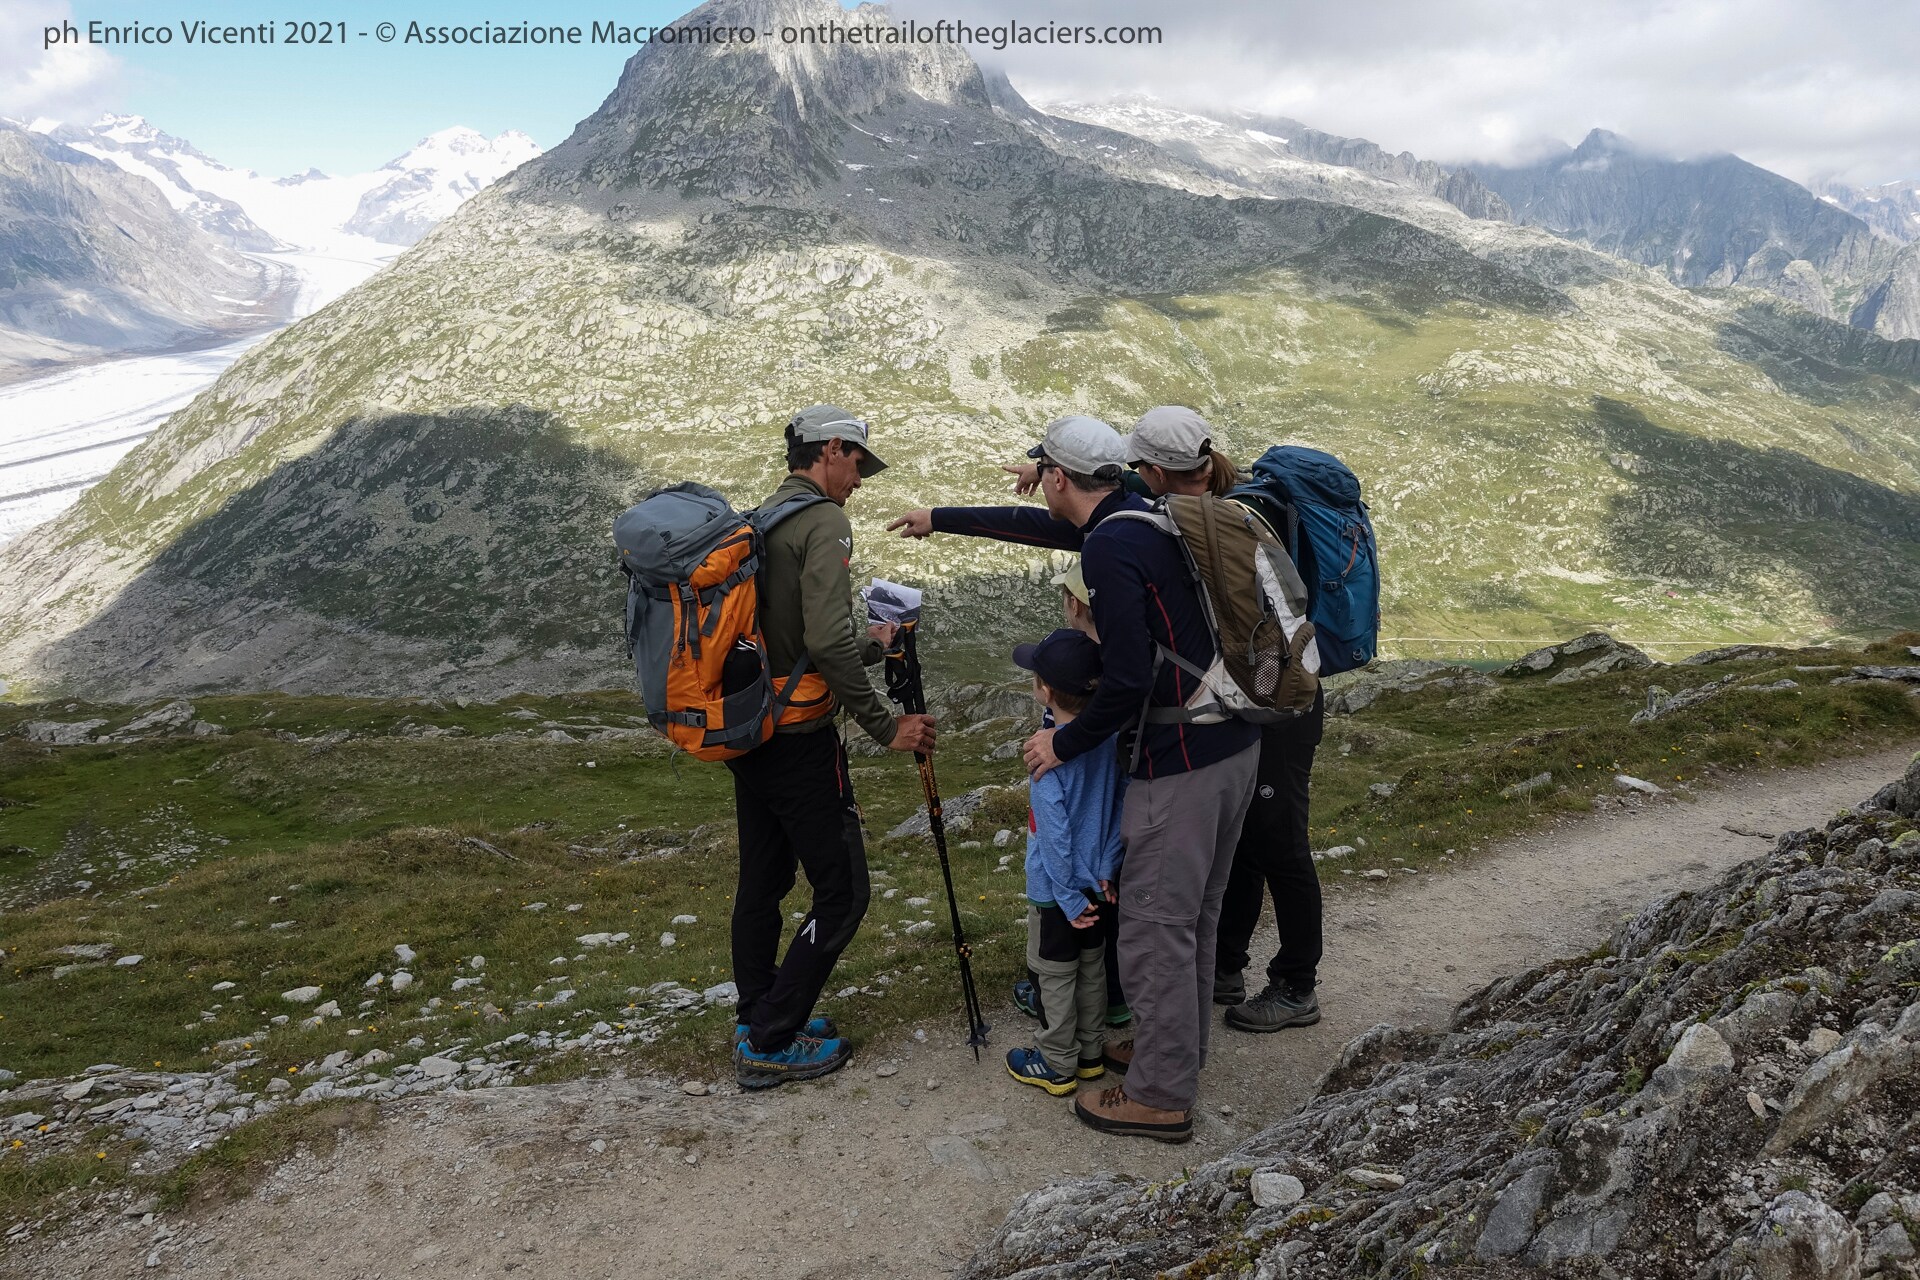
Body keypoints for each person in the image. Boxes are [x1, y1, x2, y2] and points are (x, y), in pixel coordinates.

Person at [891, 413, 1261, 1144]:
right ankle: (1172, 1054)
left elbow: (1124, 680)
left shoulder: (1117, 542)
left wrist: (1065, 746)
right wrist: (943, 519)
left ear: (1060, 478)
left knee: (1157, 932)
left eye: (1046, 475)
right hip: (1234, 745)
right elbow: (1035, 526)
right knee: (1194, 920)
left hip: (1182, 762)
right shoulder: (1138, 513)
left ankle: (1158, 1094)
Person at [730, 406, 937, 1090]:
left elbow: (794, 637)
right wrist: (885, 726)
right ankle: (770, 1040)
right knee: (843, 892)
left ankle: (757, 1010)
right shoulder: (823, 522)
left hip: (751, 732)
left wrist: (864, 645)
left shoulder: (764, 518)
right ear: (833, 450)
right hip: (800, 740)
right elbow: (820, 642)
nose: (859, 482)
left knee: (762, 880)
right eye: (857, 466)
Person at [1117, 407, 1325, 1033]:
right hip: (1261, 696)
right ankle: (1227, 965)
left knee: (1280, 841)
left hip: (1281, 701)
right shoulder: (1201, 506)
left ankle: (1296, 985)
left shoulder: (1221, 517)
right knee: (1242, 845)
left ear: (1157, 469)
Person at [1003, 629, 1126, 1096]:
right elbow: (1120, 806)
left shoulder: (1047, 756)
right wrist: (1108, 866)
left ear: (1046, 691)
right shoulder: (1109, 737)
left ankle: (1056, 1062)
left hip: (1058, 892)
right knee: (1092, 967)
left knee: (1053, 973)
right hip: (1099, 881)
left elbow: (1053, 838)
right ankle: (1091, 1053)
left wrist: (1069, 898)